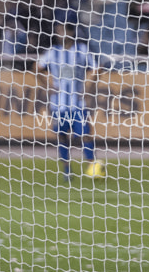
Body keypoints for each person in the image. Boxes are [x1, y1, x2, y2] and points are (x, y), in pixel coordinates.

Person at [36, 19, 105, 182]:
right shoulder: (53, 51)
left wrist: (89, 89)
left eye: (62, 30)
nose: (59, 34)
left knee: (85, 135)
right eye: (58, 30)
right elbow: (37, 68)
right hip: (58, 104)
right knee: (61, 136)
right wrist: (47, 86)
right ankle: (67, 170)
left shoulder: (81, 49)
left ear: (71, 32)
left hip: (77, 103)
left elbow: (97, 68)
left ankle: (92, 166)